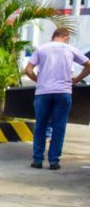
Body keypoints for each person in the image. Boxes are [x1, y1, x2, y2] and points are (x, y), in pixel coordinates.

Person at [25, 27, 90, 170]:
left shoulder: (42, 49)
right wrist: (76, 80)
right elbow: (88, 65)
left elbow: (28, 70)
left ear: (54, 36)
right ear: (66, 37)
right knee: (58, 127)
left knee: (41, 127)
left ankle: (37, 160)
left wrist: (38, 81)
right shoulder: (70, 49)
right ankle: (54, 161)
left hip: (43, 93)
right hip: (63, 93)